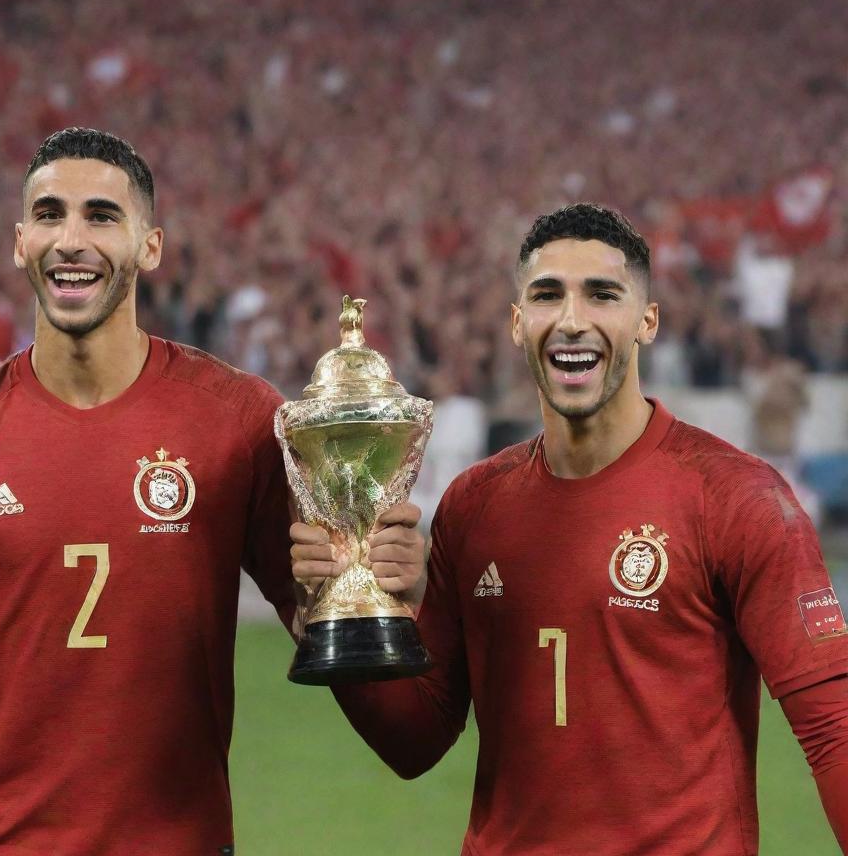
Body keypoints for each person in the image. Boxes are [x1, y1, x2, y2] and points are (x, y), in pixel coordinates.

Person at [0, 126, 425, 855]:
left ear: (151, 247)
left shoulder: (236, 419)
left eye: (101, 217)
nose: (71, 239)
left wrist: (381, 584)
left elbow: (320, 619)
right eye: (49, 215)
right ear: (19, 243)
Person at [292, 203, 848, 855]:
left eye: (602, 295)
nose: (572, 320)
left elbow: (834, 727)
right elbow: (414, 741)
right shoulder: (475, 507)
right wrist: (339, 615)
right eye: (547, 295)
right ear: (517, 323)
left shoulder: (736, 498)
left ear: (647, 321)